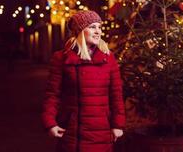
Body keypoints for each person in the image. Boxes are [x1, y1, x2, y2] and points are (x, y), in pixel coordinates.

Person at [42, 10, 125, 152]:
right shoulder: (61, 58)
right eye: (92, 27)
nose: (98, 31)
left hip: (102, 132)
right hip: (72, 133)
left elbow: (116, 95)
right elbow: (52, 95)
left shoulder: (108, 58)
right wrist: (50, 123)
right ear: (79, 31)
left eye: (99, 27)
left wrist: (118, 125)